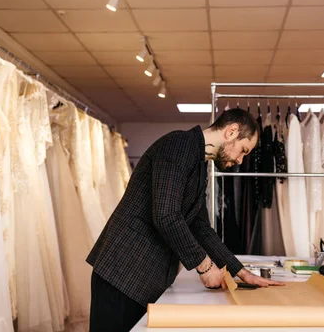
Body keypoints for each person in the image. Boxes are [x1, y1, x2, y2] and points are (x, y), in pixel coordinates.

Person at [86, 108, 282, 332]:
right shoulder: (178, 145)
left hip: (142, 278)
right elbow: (166, 215)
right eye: (243, 151)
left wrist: (240, 271)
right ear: (232, 131)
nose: (239, 160)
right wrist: (205, 267)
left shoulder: (198, 162)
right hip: (122, 273)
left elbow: (200, 227)